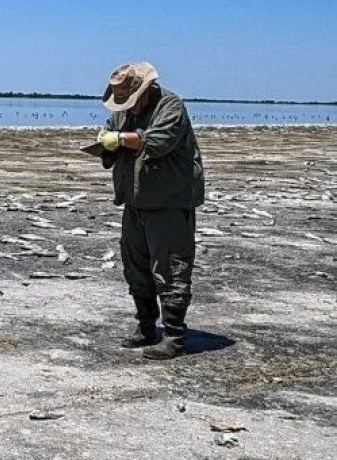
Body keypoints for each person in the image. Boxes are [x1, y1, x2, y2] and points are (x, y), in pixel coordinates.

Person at [96, 62, 205, 359]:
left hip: (169, 202)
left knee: (171, 267)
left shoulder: (170, 106)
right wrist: (106, 142)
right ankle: (145, 326)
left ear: (145, 89)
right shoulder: (123, 109)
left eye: (130, 100)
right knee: (135, 265)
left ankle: (174, 335)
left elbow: (157, 141)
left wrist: (121, 139)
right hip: (135, 201)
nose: (125, 108)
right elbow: (111, 132)